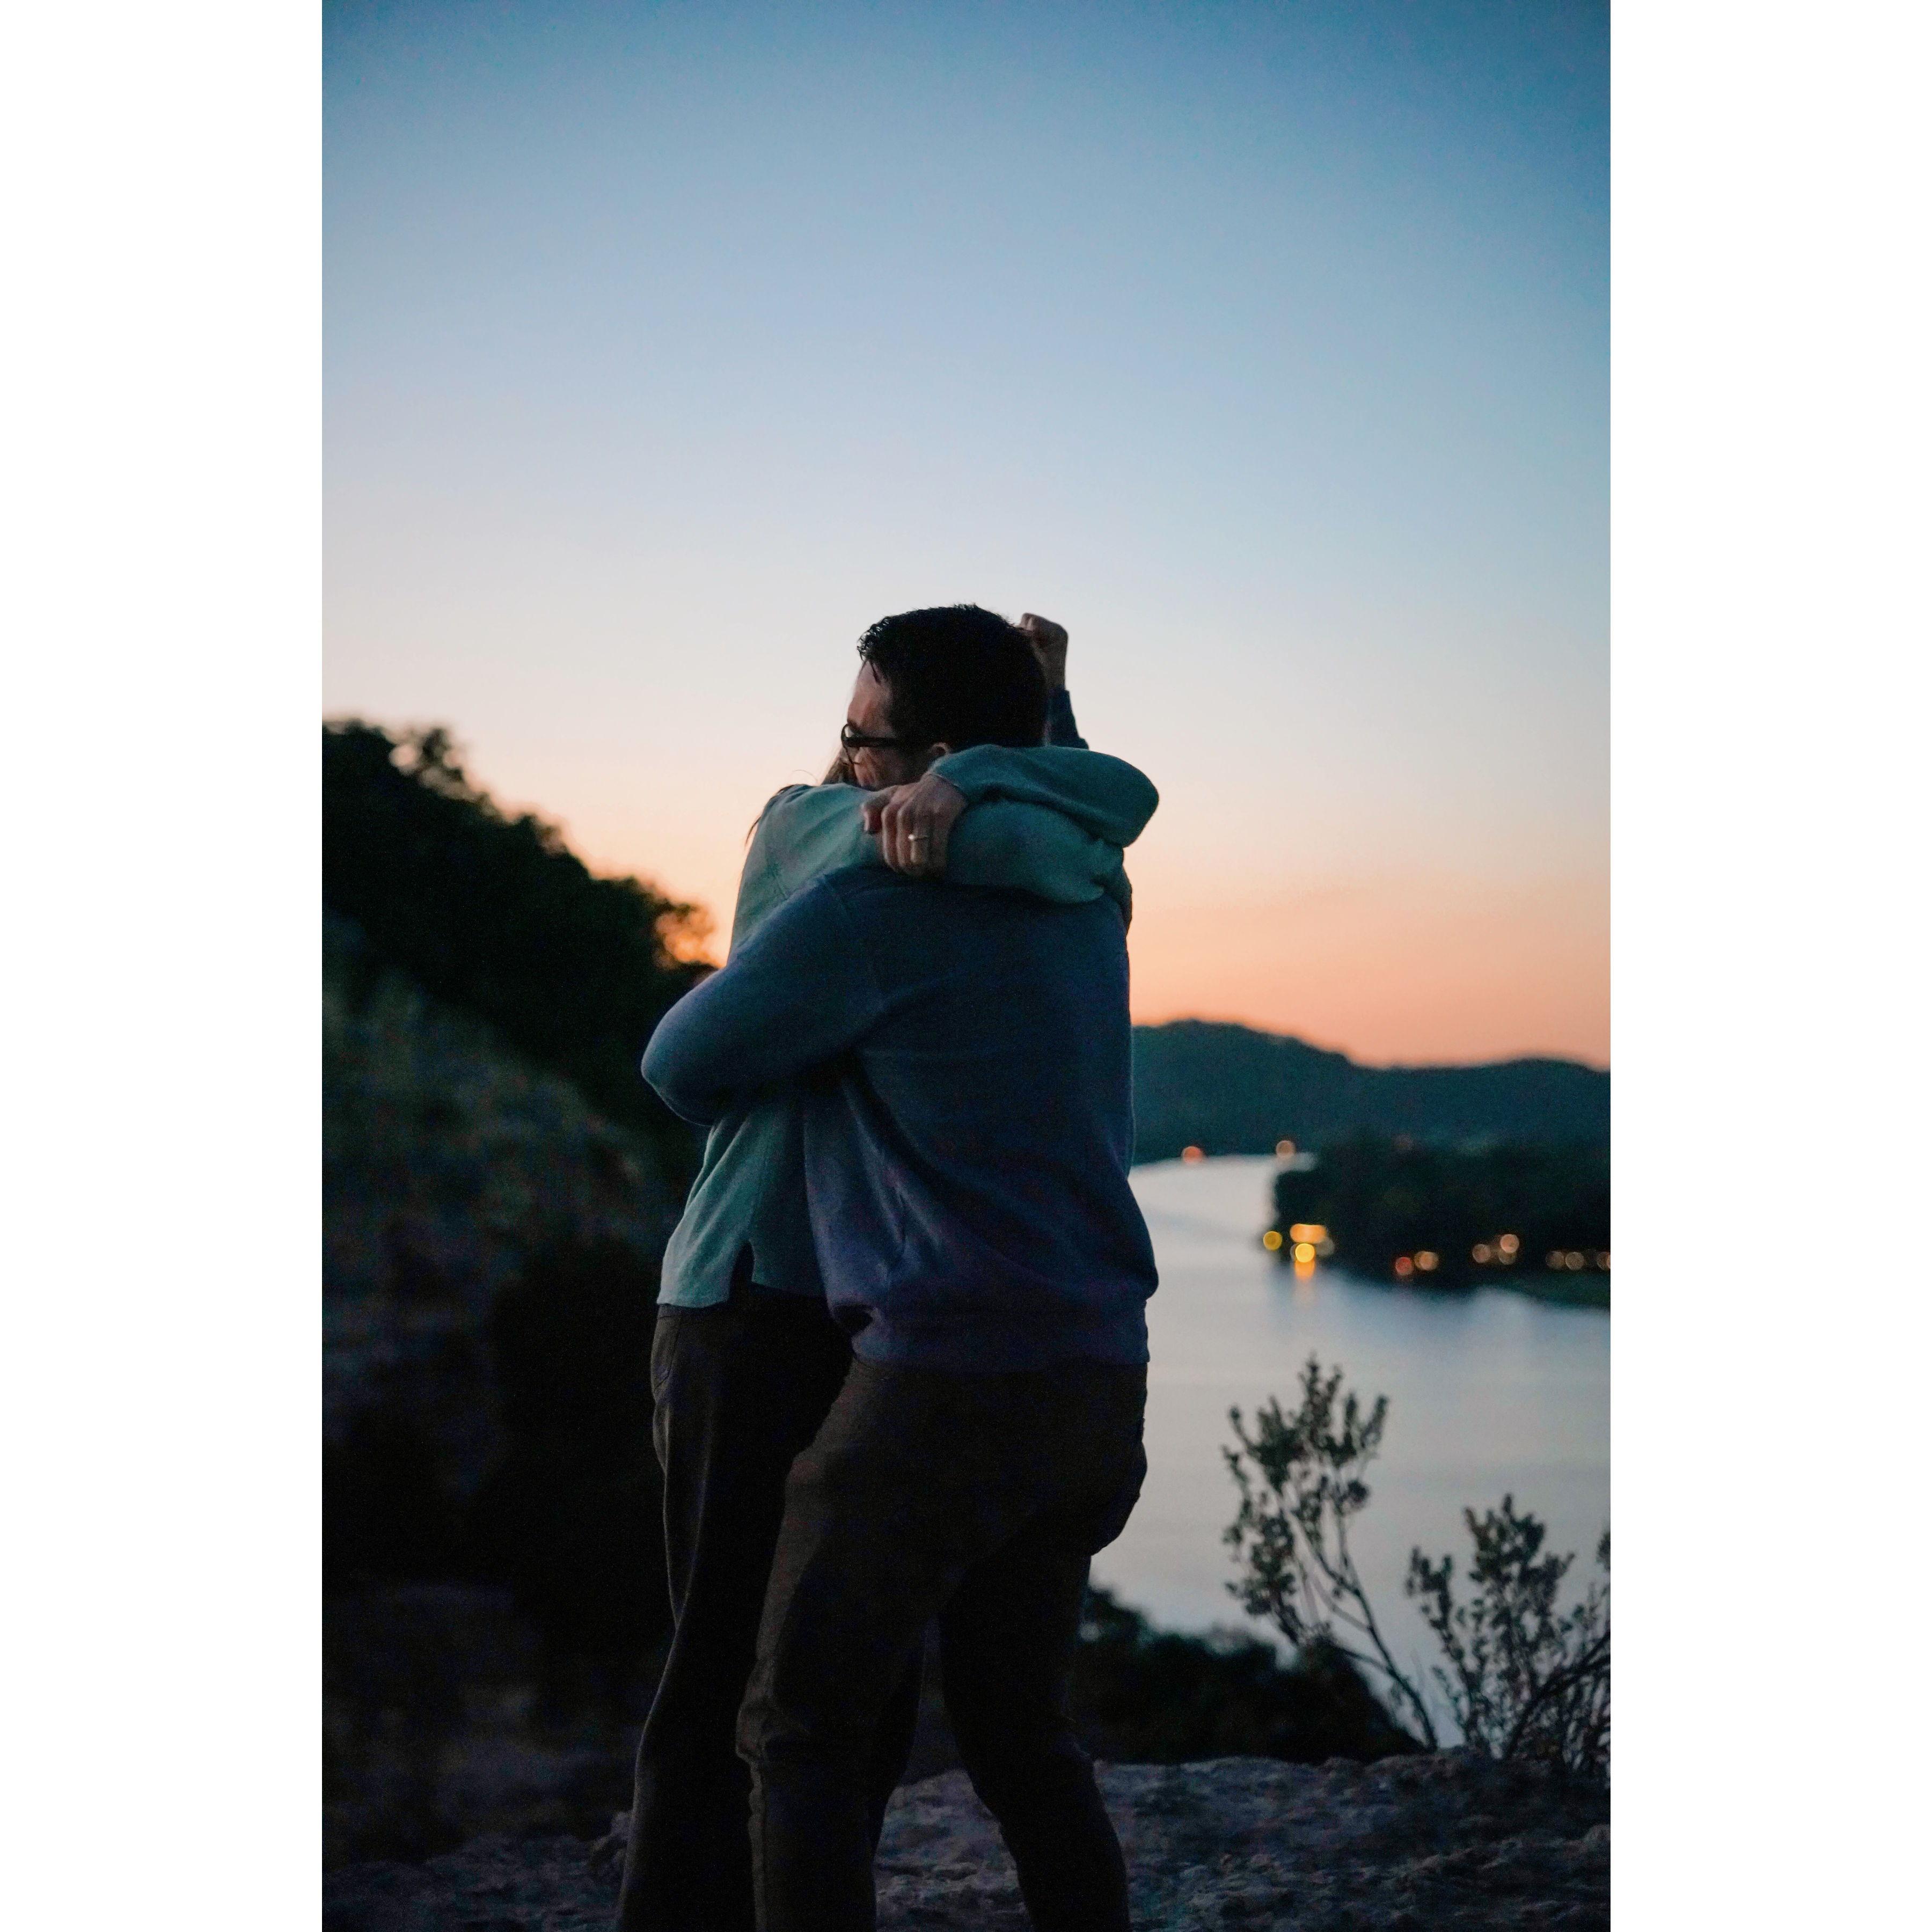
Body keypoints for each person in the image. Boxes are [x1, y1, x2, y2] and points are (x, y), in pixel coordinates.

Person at [617, 606, 1158, 1932]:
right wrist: (1018, 750)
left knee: (795, 1710)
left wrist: (984, 768)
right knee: (985, 1722)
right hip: (1062, 1360)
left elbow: (680, 1065)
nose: (841, 762)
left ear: (936, 760)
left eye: (864, 740)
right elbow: (1098, 808)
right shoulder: (1081, 892)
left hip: (890, 1339)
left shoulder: (866, 890)